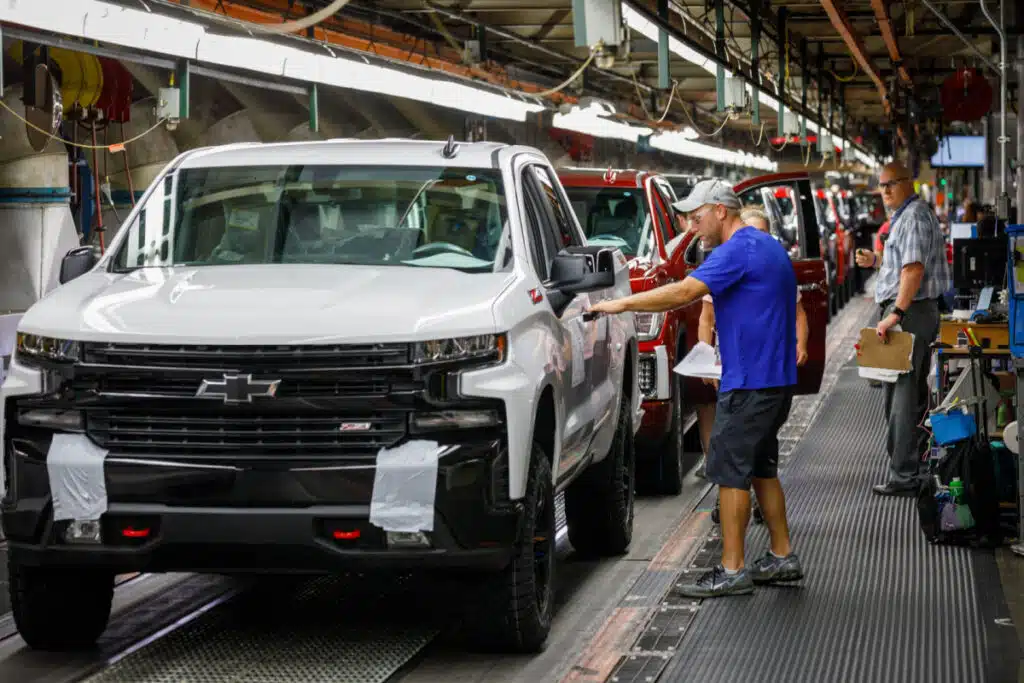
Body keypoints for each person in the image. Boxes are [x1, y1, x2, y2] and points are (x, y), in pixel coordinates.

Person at [589, 179, 802, 598]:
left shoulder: (735, 251)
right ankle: (782, 555)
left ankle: (732, 568)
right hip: (774, 381)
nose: (691, 226)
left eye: (696, 216)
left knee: (731, 473)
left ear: (720, 211)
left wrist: (622, 303)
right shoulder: (768, 245)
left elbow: (684, 292)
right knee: (762, 468)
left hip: (749, 383)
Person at [695, 205, 810, 487]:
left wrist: (801, 344)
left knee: (739, 467)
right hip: (741, 373)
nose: (757, 241)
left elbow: (799, 314)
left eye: (763, 234)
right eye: (752, 233)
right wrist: (705, 358)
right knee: (751, 464)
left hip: (756, 380)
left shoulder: (775, 268)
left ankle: (734, 498)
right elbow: (706, 319)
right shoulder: (728, 266)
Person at [855, 161, 950, 496]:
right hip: (913, 312)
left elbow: (913, 270)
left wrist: (895, 313)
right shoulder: (907, 216)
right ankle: (915, 465)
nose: (885, 191)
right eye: (881, 185)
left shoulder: (913, 218)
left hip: (909, 314)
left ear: (909, 182)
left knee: (901, 397)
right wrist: (876, 262)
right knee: (908, 393)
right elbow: (902, 263)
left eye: (891, 184)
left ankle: (904, 475)